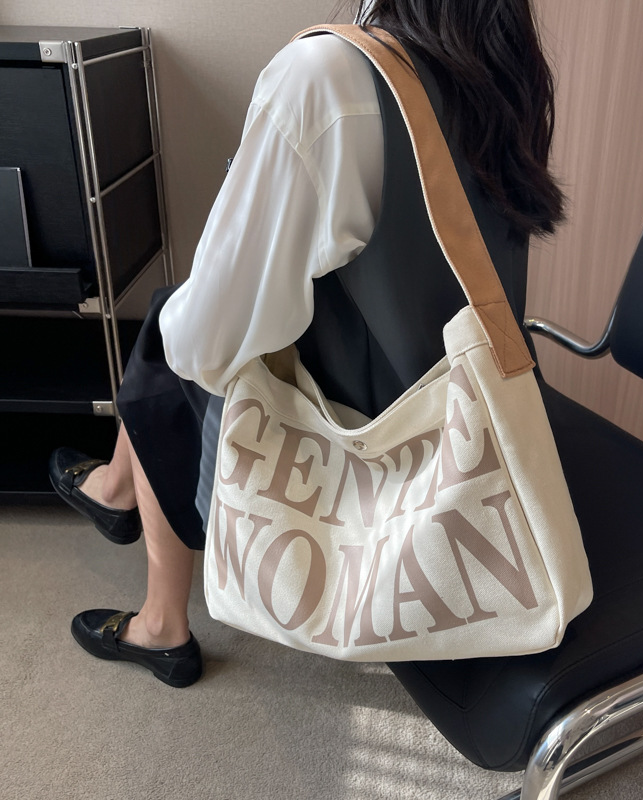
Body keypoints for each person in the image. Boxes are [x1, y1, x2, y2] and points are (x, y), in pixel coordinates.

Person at [49, 0, 565, 687]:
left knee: (172, 336)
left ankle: (161, 623)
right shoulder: (503, 65)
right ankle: (116, 491)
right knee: (187, 318)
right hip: (463, 394)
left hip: (363, 429)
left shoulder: (327, 72)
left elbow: (204, 344)